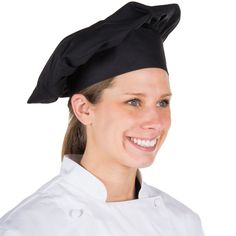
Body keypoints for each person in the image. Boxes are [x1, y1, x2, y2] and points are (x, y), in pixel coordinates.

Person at [0, 1, 205, 235]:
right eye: (134, 101)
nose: (156, 122)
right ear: (84, 109)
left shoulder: (184, 224)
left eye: (162, 102)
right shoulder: (29, 228)